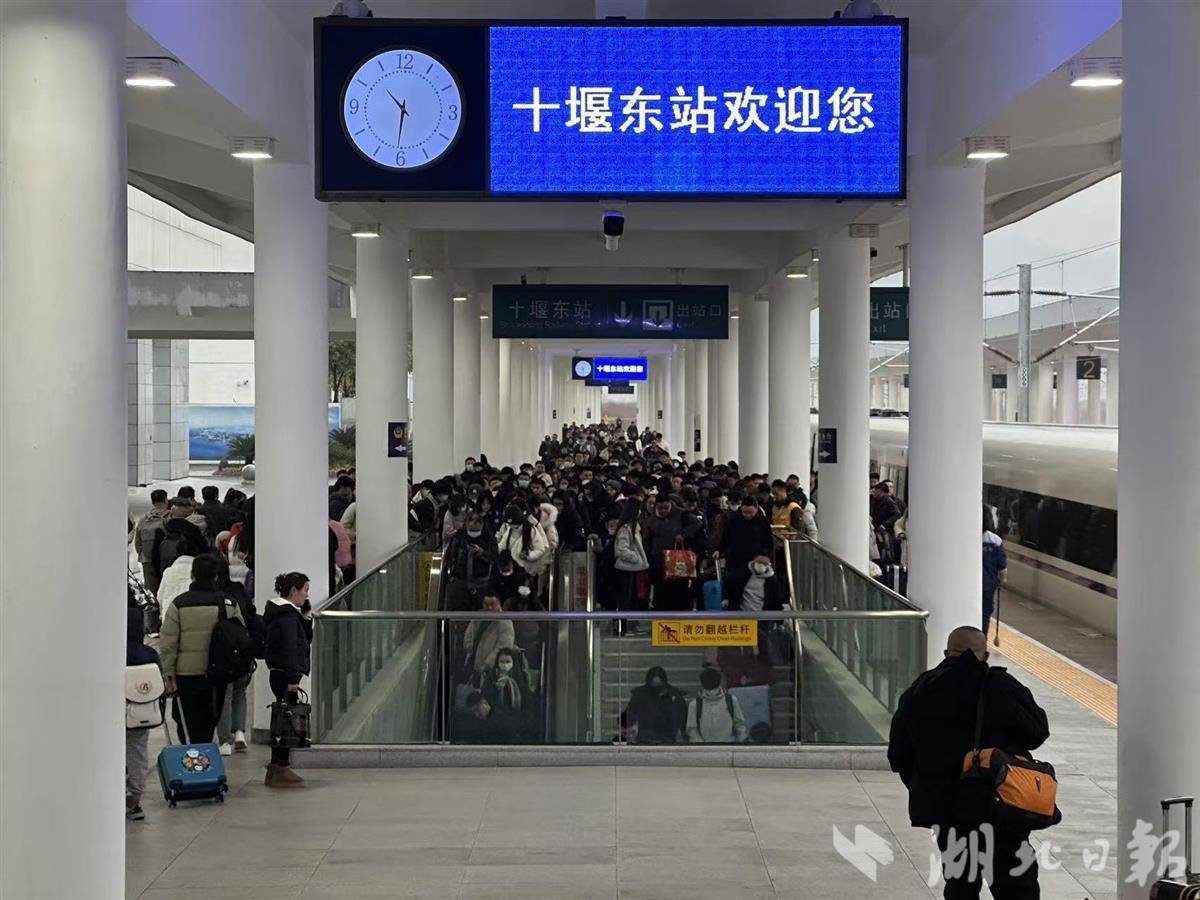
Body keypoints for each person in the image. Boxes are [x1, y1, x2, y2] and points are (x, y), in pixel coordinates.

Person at [888, 626, 1050, 900]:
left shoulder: (921, 690)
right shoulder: (1003, 686)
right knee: (1016, 886)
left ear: (946, 653)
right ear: (985, 655)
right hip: (1002, 807)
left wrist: (929, 784)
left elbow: (899, 755)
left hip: (948, 809)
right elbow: (1038, 733)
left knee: (960, 886)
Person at [159, 554, 246, 746]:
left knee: (186, 722)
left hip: (186, 675)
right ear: (216, 576)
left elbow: (168, 643)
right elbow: (240, 637)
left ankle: (191, 754)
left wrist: (168, 673)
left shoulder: (178, 604)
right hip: (217, 675)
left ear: (192, 575)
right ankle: (203, 753)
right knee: (209, 722)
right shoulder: (228, 603)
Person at [263, 572, 313, 788]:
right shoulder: (287, 617)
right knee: (287, 719)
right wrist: (293, 679)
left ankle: (277, 766)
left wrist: (306, 617)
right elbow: (291, 648)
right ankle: (280, 766)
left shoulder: (284, 614)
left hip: (279, 672)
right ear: (293, 590)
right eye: (305, 590)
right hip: (286, 674)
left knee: (282, 716)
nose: (307, 594)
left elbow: (303, 639)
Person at [214, 555, 262, 756]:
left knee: (224, 695)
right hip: (243, 649)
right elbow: (250, 613)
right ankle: (240, 732)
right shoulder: (238, 590)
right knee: (239, 692)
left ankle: (225, 740)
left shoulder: (215, 597)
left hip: (223, 652)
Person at [125, 592, 160, 822]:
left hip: (111, 713)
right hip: (141, 714)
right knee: (137, 752)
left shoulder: (105, 654)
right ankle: (135, 799)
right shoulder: (149, 654)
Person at [715, 495, 773, 609]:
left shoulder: (762, 522)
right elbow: (726, 538)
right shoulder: (734, 520)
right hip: (736, 560)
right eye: (745, 512)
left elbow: (768, 543)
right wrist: (718, 550)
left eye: (751, 512)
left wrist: (764, 556)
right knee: (734, 588)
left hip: (755, 562)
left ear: (756, 509)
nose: (747, 515)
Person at [443, 510, 499, 610]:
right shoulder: (458, 537)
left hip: (482, 584)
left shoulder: (489, 539)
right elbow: (450, 556)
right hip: (461, 583)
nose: (473, 532)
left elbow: (494, 559)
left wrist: (481, 552)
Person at [612, 497, 649, 636]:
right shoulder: (626, 529)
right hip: (626, 569)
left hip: (634, 569)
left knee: (633, 600)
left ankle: (632, 626)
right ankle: (623, 628)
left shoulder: (635, 527)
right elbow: (621, 549)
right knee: (625, 600)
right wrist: (636, 558)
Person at [623, 666, 687, 744]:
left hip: (668, 740)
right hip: (645, 739)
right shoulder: (640, 695)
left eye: (659, 687)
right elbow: (628, 718)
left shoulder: (674, 695)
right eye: (653, 688)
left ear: (664, 684)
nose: (656, 691)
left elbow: (683, 720)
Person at [686, 665, 747, 743]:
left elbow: (739, 726)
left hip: (729, 747)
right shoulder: (695, 705)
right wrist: (702, 746)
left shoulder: (731, 701)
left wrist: (742, 743)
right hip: (704, 749)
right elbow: (692, 730)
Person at [152, 498, 209, 579]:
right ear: (187, 514)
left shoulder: (161, 530)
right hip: (188, 572)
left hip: (166, 572)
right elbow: (204, 550)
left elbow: (155, 556)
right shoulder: (193, 530)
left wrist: (158, 575)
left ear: (171, 514)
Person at [462, 593, 516, 675]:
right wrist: (470, 649)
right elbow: (468, 636)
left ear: (499, 603)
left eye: (492, 604)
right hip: (471, 663)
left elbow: (503, 647)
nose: (489, 607)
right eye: (486, 604)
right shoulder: (477, 617)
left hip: (492, 670)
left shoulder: (506, 622)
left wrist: (487, 665)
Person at [133, 489, 170, 595]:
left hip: (147, 560)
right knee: (165, 590)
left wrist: (143, 554)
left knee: (150, 591)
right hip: (165, 560)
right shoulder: (170, 517)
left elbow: (137, 541)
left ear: (152, 502)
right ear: (165, 500)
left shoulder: (144, 519)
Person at [982, 509, 1009, 636]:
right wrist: (1002, 581)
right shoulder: (995, 540)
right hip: (988, 586)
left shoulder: (965, 537)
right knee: (985, 615)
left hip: (967, 584)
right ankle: (981, 641)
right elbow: (1002, 568)